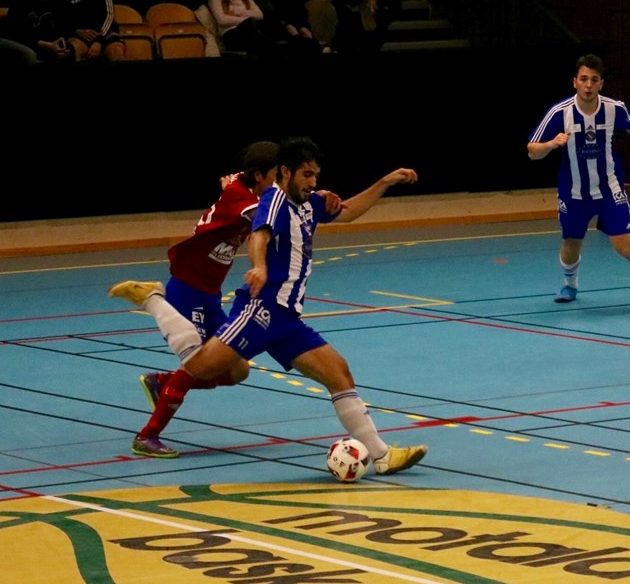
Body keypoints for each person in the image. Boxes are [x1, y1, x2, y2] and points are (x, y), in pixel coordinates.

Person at [109, 136, 428, 478]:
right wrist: (259, 266)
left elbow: (348, 212)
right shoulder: (273, 201)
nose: (313, 182)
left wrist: (384, 183)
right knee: (198, 367)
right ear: (285, 173)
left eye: (316, 175)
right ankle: (152, 300)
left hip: (287, 319)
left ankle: (382, 456)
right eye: (306, 175)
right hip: (260, 312)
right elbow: (259, 234)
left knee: (339, 374)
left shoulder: (309, 202)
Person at [108, 141, 286, 429]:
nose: (281, 183)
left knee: (238, 369)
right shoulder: (243, 199)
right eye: (278, 175)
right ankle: (147, 436)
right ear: (258, 175)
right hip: (187, 289)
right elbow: (265, 220)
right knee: (198, 364)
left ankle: (164, 383)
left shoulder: (243, 186)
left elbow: (237, 181)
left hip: (210, 296)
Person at [527, 53, 630, 304]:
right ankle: (570, 286)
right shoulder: (560, 113)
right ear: (574, 82)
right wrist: (551, 143)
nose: (588, 85)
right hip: (574, 192)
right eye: (584, 79)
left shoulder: (613, 109)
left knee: (625, 247)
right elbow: (532, 151)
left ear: (601, 84)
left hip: (608, 188)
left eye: (594, 80)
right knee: (571, 245)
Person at [0, 0, 69, 62]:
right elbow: (15, 32)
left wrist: (61, 41)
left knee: (68, 52)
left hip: (49, 44)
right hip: (24, 43)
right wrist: (45, 44)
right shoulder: (21, 0)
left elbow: (61, 28)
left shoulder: (59, 2)